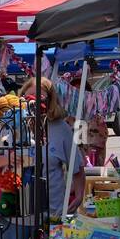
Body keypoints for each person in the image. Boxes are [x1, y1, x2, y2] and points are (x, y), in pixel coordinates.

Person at [21, 76, 85, 221]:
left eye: (40, 98)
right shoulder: (13, 125)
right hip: (18, 215)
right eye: (29, 98)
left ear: (49, 101)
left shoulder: (61, 128)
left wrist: (80, 195)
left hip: (52, 212)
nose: (34, 103)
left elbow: (77, 166)